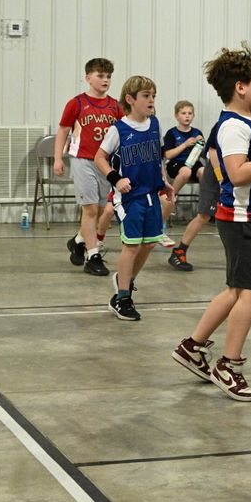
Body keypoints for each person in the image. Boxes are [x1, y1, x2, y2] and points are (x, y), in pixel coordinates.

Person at [170, 45, 251, 402]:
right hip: (243, 219)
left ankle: (193, 347)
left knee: (237, 289)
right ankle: (228, 365)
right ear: (240, 87)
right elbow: (236, 174)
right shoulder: (234, 126)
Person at [94, 76, 174, 321]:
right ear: (130, 99)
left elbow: (158, 157)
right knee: (131, 245)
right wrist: (116, 179)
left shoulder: (155, 124)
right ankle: (122, 298)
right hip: (129, 198)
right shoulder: (119, 129)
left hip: (151, 193)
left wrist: (164, 181)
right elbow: (99, 158)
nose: (151, 100)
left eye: (153, 96)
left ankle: (125, 280)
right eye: (146, 96)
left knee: (149, 243)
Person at [55, 58, 122, 276]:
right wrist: (58, 158)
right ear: (88, 78)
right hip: (82, 159)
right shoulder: (77, 103)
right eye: (100, 76)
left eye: (108, 76)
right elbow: (63, 130)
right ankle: (93, 256)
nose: (105, 80)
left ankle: (78, 241)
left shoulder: (115, 106)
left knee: (101, 210)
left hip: (105, 163)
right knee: (90, 209)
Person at [167, 122, 222, 271]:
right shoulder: (223, 123)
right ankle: (180, 251)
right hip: (216, 175)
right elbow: (212, 152)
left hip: (234, 177)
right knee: (204, 215)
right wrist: (220, 178)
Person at [160, 99, 205, 246]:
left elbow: (203, 154)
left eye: (190, 113)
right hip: (176, 163)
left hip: (193, 162)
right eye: (183, 113)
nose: (187, 116)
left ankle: (207, 202)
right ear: (176, 116)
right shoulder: (172, 133)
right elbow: (168, 155)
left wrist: (200, 143)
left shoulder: (197, 132)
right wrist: (185, 144)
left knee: (203, 171)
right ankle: (172, 196)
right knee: (185, 172)